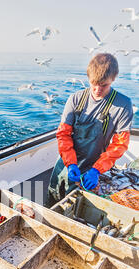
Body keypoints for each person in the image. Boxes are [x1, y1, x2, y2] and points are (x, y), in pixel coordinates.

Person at [46, 53, 133, 207]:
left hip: (94, 166)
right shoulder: (76, 99)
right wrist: (70, 162)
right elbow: (63, 134)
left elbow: (119, 145)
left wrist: (96, 170)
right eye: (94, 83)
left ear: (114, 78)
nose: (98, 89)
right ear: (88, 78)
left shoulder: (123, 104)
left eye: (104, 85)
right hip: (66, 162)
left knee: (75, 206)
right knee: (53, 201)